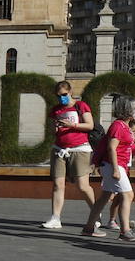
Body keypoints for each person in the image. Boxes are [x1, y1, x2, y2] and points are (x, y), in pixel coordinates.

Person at [81, 95, 135, 242]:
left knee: (104, 197)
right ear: (128, 110)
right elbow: (111, 148)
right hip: (113, 166)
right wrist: (116, 169)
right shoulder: (118, 126)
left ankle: (89, 228)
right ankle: (125, 231)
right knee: (128, 195)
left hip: (115, 166)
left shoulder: (124, 126)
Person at [40, 81, 95, 229]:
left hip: (80, 149)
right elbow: (52, 129)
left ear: (70, 92)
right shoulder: (56, 110)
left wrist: (72, 125)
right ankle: (55, 218)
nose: (61, 99)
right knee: (58, 184)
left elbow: (90, 125)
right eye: (58, 96)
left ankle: (96, 213)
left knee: (83, 186)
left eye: (64, 95)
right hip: (60, 149)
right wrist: (56, 128)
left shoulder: (80, 106)